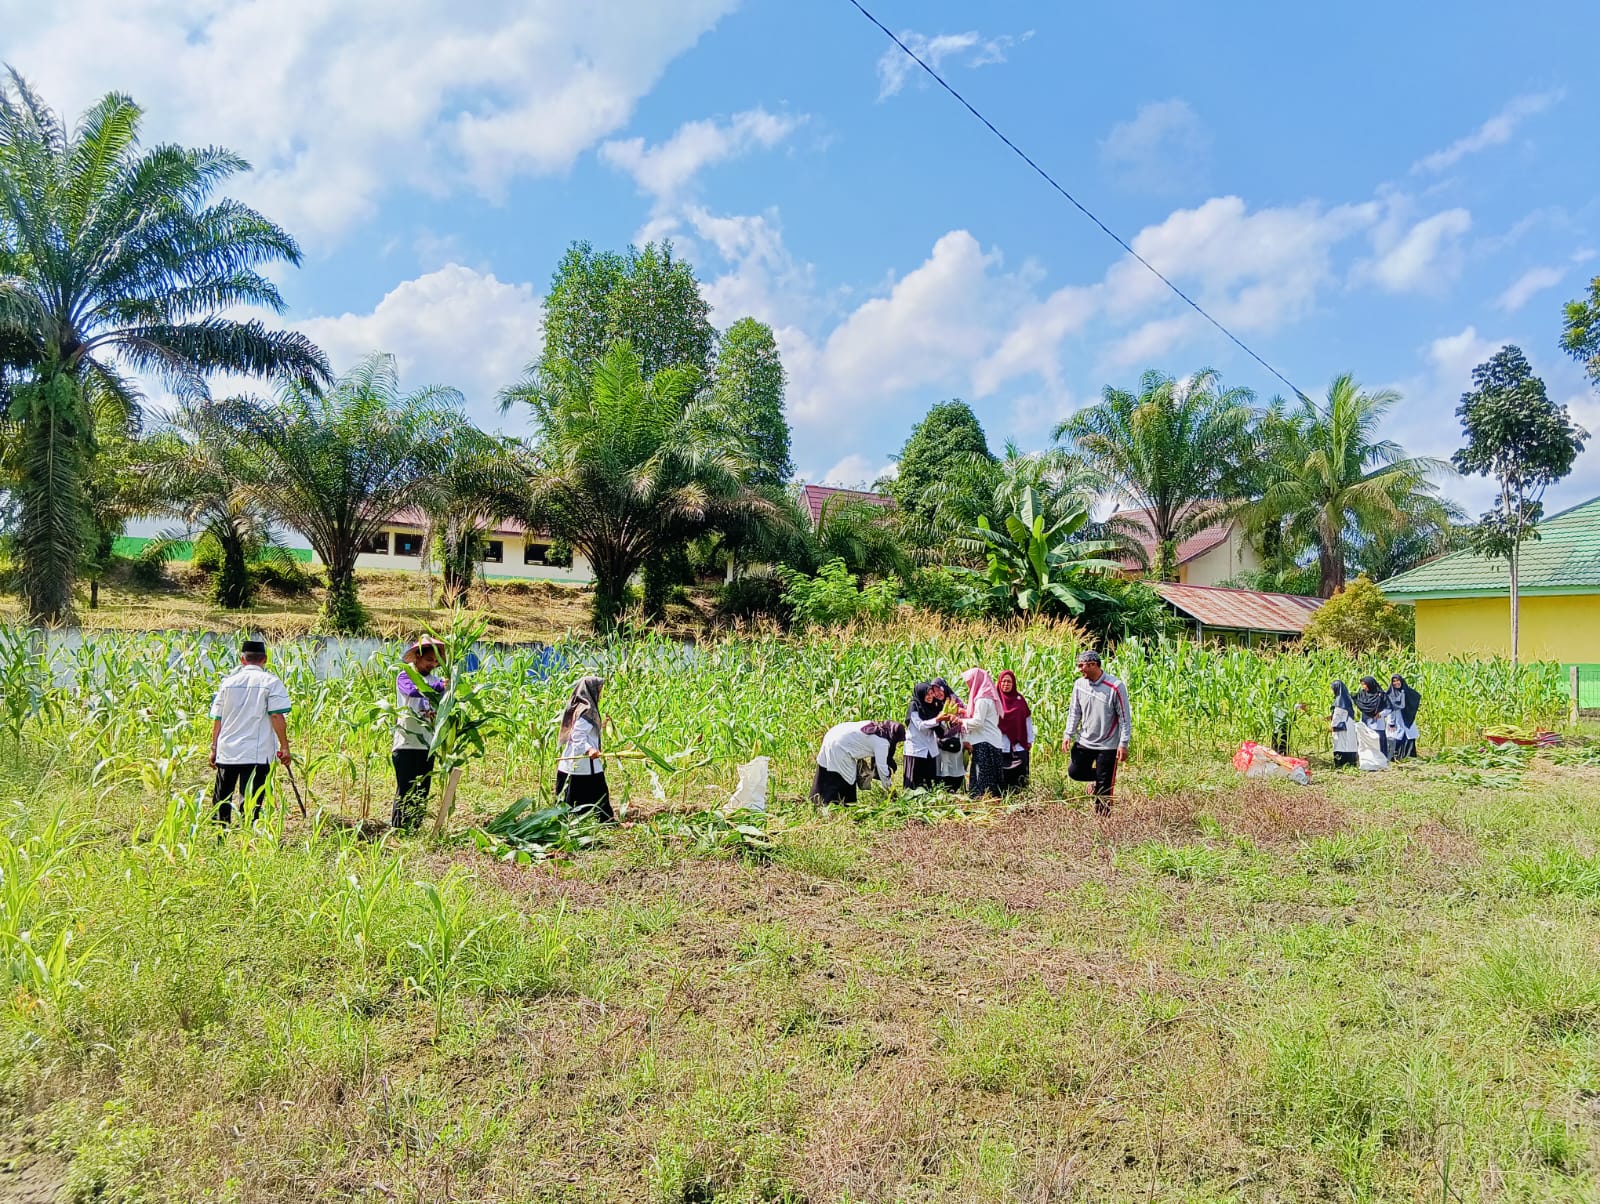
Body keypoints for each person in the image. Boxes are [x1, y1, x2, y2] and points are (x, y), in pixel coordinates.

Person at [208, 638, 291, 824]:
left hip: (228, 751)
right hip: (257, 753)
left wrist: (214, 748)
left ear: (242, 659)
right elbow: (276, 716)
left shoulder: (227, 683)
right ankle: (247, 834)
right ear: (265, 659)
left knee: (222, 799)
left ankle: (220, 835)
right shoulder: (271, 682)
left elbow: (217, 718)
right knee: (251, 802)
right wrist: (285, 747)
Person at [1061, 650, 1131, 815]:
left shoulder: (1115, 686)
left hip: (1108, 744)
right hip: (1085, 740)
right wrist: (1068, 734)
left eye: (1082, 666)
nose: (1080, 669)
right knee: (1075, 772)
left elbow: (1124, 717)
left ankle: (1102, 820)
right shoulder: (1079, 685)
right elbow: (1074, 712)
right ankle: (1098, 779)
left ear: (1093, 665)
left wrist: (1123, 743)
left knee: (1104, 788)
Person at [391, 638, 445, 832]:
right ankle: (399, 831)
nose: (433, 664)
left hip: (427, 744)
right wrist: (440, 688)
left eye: (436, 661)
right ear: (417, 657)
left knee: (422, 791)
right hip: (407, 743)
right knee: (405, 790)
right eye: (429, 660)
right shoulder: (405, 675)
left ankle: (415, 829)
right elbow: (414, 691)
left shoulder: (435, 680)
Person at [556, 676, 613, 820]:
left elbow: (585, 730)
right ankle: (605, 821)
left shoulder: (579, 707)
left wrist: (601, 725)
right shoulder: (587, 712)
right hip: (584, 765)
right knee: (599, 794)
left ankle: (576, 820)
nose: (600, 693)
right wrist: (589, 750)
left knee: (570, 802)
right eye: (599, 690)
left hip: (573, 764)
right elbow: (577, 735)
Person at [812, 721, 905, 804]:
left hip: (833, 734)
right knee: (845, 778)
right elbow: (882, 769)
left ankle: (816, 800)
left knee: (825, 770)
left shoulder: (874, 726)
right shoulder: (882, 743)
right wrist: (891, 790)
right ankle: (837, 804)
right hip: (839, 746)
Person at [959, 668, 1007, 798]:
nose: (968, 685)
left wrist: (960, 721)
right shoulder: (987, 697)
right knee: (991, 774)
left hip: (985, 741)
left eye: (970, 682)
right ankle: (991, 797)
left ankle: (983, 798)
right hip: (990, 740)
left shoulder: (982, 699)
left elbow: (978, 722)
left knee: (983, 775)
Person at [904, 681, 949, 788]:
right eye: (927, 694)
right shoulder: (914, 706)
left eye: (931, 693)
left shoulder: (934, 706)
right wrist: (937, 719)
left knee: (929, 783)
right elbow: (920, 725)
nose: (930, 697)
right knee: (914, 785)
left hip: (930, 749)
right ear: (921, 694)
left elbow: (940, 725)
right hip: (916, 749)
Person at [995, 670, 1034, 791]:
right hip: (1000, 743)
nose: (1006, 684)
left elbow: (1027, 719)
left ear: (1014, 683)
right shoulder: (995, 700)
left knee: (1020, 778)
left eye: (1009, 682)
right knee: (1001, 778)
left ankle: (1021, 794)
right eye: (1003, 681)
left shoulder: (1019, 700)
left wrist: (1029, 739)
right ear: (999, 682)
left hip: (1018, 744)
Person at [1386, 674, 1422, 760]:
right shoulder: (1390, 694)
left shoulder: (1408, 692)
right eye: (1394, 681)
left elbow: (1415, 698)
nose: (1396, 683)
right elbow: (1390, 710)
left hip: (1408, 719)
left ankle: (1408, 756)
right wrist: (1391, 723)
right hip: (1396, 720)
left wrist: (1409, 711)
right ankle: (1396, 756)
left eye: (1398, 680)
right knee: (1395, 737)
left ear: (1401, 681)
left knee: (1408, 737)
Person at [1352, 676, 1389, 755]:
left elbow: (1389, 708)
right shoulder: (1362, 694)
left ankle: (1381, 759)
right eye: (1362, 685)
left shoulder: (1381, 695)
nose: (1363, 686)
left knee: (1379, 744)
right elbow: (1354, 699)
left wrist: (1381, 714)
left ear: (1370, 684)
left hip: (1377, 724)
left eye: (1365, 684)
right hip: (1365, 722)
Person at [1330, 680, 1358, 769]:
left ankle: (1341, 764)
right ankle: (1351, 763)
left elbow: (1337, 716)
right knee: (1349, 744)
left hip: (1342, 727)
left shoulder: (1339, 701)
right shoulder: (1347, 699)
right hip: (1349, 724)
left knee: (1341, 745)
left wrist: (1332, 726)